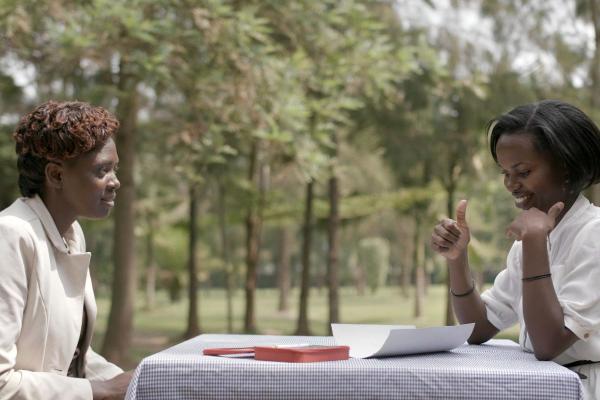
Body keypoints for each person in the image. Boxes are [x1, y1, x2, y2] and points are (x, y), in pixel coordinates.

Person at [430, 99, 600, 399]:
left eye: (522, 172)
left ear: (566, 167)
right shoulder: (532, 240)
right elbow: (478, 328)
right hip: (542, 387)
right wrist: (458, 260)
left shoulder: (593, 234)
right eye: (505, 172)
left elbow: (548, 344)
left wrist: (534, 243)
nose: (510, 184)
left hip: (583, 388)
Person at [0, 101, 133, 399]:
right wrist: (103, 390)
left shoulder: (71, 234)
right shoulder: (11, 236)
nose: (116, 182)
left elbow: (68, 359)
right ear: (56, 176)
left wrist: (132, 380)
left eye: (115, 169)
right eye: (102, 170)